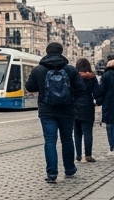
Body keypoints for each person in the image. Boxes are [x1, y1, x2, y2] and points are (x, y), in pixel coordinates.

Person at [25, 42, 89, 182]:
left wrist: (42, 87)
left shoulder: (39, 70)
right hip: (66, 110)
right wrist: (69, 94)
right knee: (67, 139)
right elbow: (81, 88)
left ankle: (52, 173)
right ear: (61, 52)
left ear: (47, 52)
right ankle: (69, 169)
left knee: (50, 141)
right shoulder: (70, 70)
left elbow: (29, 87)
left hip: (46, 110)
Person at [73, 57, 99, 163]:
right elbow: (97, 92)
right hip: (88, 105)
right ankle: (88, 155)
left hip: (75, 106)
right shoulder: (92, 77)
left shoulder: (74, 77)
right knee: (88, 132)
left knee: (77, 132)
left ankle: (78, 155)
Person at [100, 60, 114, 154]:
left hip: (109, 103)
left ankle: (112, 146)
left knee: (110, 125)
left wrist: (99, 101)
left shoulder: (106, 76)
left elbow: (101, 90)